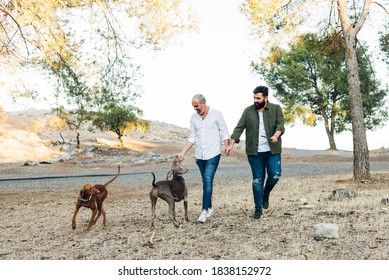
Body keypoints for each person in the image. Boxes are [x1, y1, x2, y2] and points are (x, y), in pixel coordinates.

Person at [226, 86, 285, 220]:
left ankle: (266, 194)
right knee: (257, 179)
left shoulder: (276, 109)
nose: (255, 100)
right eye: (254, 98)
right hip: (254, 153)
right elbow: (239, 128)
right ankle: (258, 208)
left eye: (258, 98)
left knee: (275, 175)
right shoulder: (248, 111)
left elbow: (280, 125)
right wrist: (231, 144)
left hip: (272, 151)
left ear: (266, 98)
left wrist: (276, 135)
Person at [178, 94, 230, 223]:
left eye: (196, 106)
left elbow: (224, 131)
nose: (195, 109)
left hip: (213, 154)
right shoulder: (194, 118)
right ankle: (210, 208)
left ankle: (204, 211)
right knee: (205, 181)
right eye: (193, 106)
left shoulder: (216, 114)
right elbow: (192, 137)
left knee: (207, 179)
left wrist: (227, 146)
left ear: (203, 103)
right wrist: (183, 152)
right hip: (200, 156)